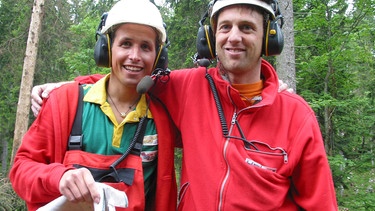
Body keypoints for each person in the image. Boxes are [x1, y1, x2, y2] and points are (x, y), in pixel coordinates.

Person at [30, 0, 338, 210]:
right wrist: (71, 88)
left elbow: (321, 203)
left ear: (270, 37)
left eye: (247, 27)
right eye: (225, 26)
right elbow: (130, 76)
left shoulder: (296, 116)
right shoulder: (188, 86)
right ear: (210, 35)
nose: (234, 37)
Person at [9, 0, 178, 210]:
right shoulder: (65, 103)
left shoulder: (163, 117)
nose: (134, 56)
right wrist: (59, 177)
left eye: (145, 47)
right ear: (106, 48)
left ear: (158, 57)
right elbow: (21, 170)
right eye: (126, 43)